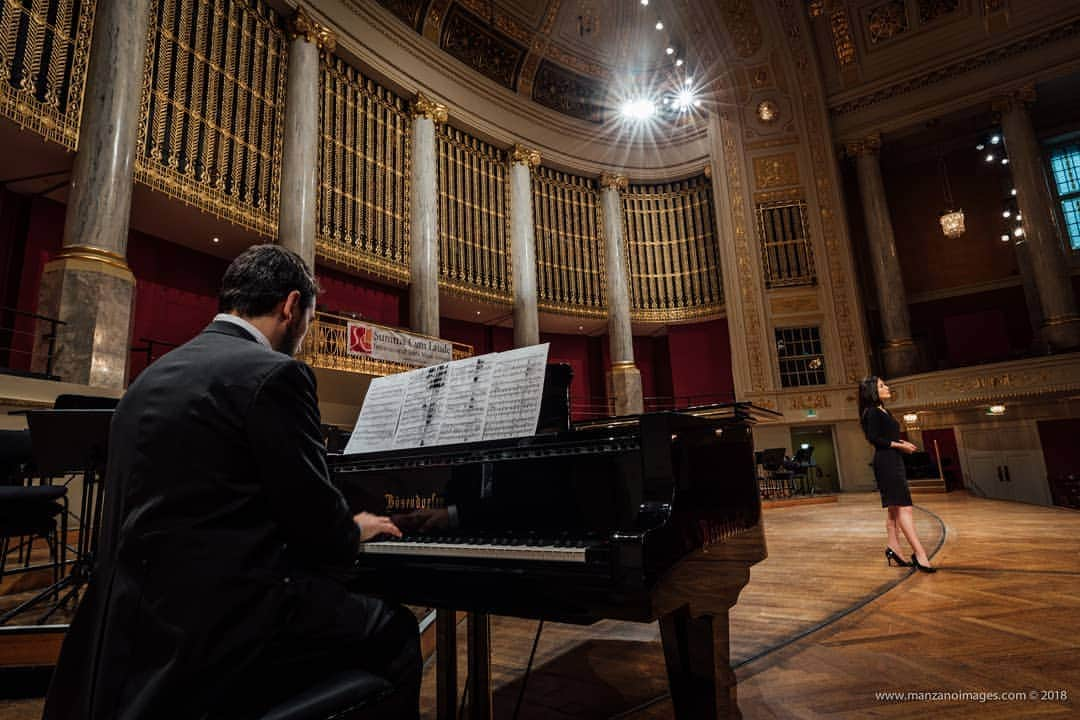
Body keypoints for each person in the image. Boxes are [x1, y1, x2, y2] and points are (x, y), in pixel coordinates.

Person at [44, 245, 420, 719]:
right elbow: (319, 529)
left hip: (135, 633)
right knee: (397, 630)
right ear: (291, 306)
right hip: (228, 629)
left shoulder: (147, 380)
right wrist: (355, 527)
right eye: (308, 318)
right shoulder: (276, 375)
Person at [858, 376, 936, 573]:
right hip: (886, 462)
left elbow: (887, 436)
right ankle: (920, 554)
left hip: (893, 459)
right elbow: (874, 439)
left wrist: (901, 443)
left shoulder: (883, 410)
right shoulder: (872, 412)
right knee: (904, 508)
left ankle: (894, 548)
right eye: (882, 385)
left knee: (894, 510)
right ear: (872, 391)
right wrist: (900, 445)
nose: (887, 387)